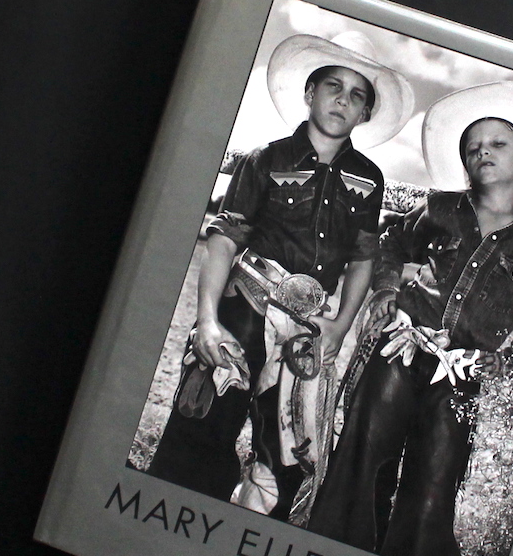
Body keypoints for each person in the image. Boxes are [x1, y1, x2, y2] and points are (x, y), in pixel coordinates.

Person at [307, 81, 513, 556]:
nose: (482, 151)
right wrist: (387, 289)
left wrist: (509, 360)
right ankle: (336, 552)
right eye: (473, 147)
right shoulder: (440, 208)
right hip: (402, 345)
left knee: (437, 472)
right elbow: (390, 244)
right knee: (366, 449)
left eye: (497, 143)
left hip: (463, 371)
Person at [148, 32, 414, 519]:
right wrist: (207, 320)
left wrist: (339, 326)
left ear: (365, 113)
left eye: (357, 95)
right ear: (310, 92)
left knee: (291, 450)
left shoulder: (369, 179)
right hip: (248, 304)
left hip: (310, 324)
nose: (343, 100)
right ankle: (171, 522)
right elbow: (223, 241)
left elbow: (362, 258)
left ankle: (248, 529)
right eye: (333, 86)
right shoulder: (264, 159)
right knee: (207, 418)